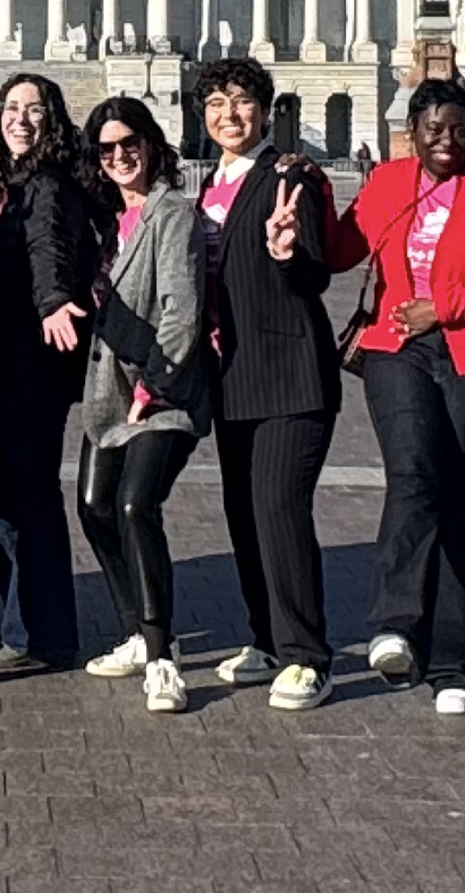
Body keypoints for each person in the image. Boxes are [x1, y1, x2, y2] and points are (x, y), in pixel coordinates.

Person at [317, 78, 465, 715]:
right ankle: (394, 623)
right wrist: (298, 204)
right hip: (397, 349)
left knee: (459, 510)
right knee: (413, 473)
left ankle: (457, 668)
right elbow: (340, 251)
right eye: (433, 130)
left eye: (457, 130)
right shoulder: (388, 182)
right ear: (412, 131)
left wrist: (444, 308)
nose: (445, 142)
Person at [192, 56, 341, 711]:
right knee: (244, 514)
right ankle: (268, 637)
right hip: (231, 377)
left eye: (243, 101)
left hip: (290, 374)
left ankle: (308, 654)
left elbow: (314, 273)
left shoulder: (289, 175)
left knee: (280, 510)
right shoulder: (208, 184)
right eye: (218, 103)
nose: (230, 114)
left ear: (264, 109)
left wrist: (289, 252)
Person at [75, 96, 208, 713]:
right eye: (107, 150)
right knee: (94, 506)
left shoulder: (171, 212)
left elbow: (181, 308)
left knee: (134, 505)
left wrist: (155, 385)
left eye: (130, 144)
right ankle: (136, 628)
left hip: (162, 393)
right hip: (106, 396)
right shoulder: (105, 219)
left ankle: (160, 656)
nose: (120, 157)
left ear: (152, 145)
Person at [0, 71, 95, 671]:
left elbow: (48, 249)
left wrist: (51, 301)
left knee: (29, 498)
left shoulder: (46, 183)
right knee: (7, 498)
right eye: (11, 107)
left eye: (35, 109)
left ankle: (41, 633)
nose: (21, 119)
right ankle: (25, 624)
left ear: (53, 119)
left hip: (31, 363)